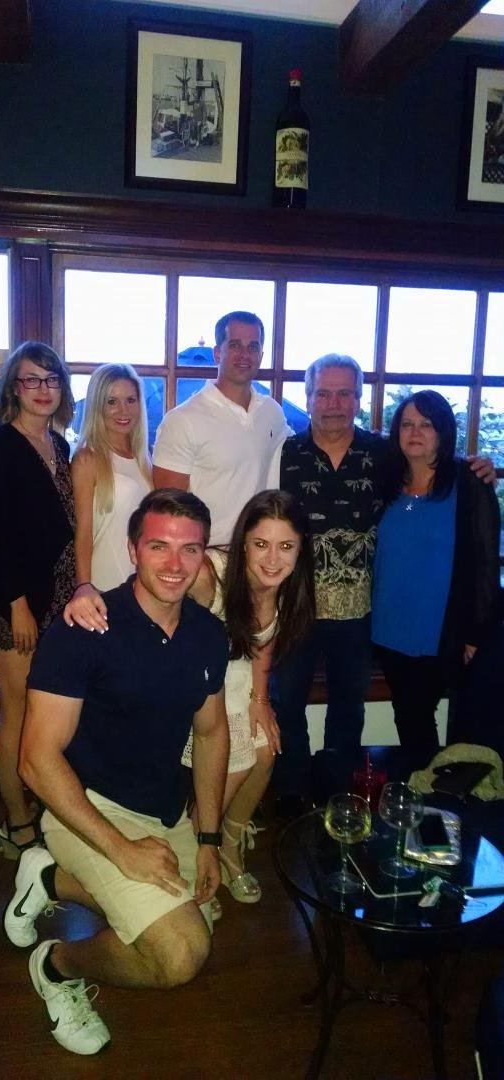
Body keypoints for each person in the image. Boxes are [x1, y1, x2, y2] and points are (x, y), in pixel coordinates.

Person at [2, 490, 229, 1056]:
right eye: (158, 546)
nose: (175, 563)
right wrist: (121, 850)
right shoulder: (83, 629)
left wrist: (209, 838)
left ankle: (49, 881)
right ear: (132, 550)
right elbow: (35, 760)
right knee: (180, 953)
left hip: (163, 808)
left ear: (204, 555)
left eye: (190, 549)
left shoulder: (206, 633)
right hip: (87, 807)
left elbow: (210, 733)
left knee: (204, 912)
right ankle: (56, 965)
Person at [275, 354, 496, 815]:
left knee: (348, 710)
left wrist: (478, 466)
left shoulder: (381, 455)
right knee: (287, 701)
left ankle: (338, 794)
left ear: (358, 399)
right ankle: (292, 790)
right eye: (323, 393)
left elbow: (437, 476)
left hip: (361, 614)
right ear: (308, 397)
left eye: (345, 393)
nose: (334, 403)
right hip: (298, 606)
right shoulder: (285, 453)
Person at [181, 490, 315, 905]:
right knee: (236, 763)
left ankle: (230, 843)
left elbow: (263, 642)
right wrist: (88, 595)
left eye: (286, 546)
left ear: (300, 549)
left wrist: (261, 699)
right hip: (196, 683)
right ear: (243, 543)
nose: (273, 559)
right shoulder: (210, 574)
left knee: (267, 747)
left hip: (236, 676)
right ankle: (196, 856)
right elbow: (153, 594)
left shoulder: (287, 586)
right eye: (261, 544)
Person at [0, 342, 75, 857]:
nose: (42, 389)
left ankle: (35, 802)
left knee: (42, 711)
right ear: (13, 387)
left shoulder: (58, 445)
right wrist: (17, 606)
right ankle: (15, 820)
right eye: (31, 379)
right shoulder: (1, 447)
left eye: (51, 379)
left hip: (53, 600)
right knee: (15, 711)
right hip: (14, 602)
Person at [372, 390, 501, 770]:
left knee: (426, 721)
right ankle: (422, 789)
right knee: (407, 716)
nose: (415, 432)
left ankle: (430, 792)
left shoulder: (470, 483)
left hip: (440, 634)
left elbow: (485, 564)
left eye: (426, 424)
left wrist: (476, 633)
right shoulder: (386, 482)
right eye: (407, 424)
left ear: (443, 432)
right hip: (388, 629)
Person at [152, 311, 291, 544]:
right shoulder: (183, 420)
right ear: (217, 353)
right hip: (208, 554)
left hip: (259, 551)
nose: (244, 354)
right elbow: (166, 508)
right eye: (235, 345)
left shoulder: (272, 412)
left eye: (253, 347)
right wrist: (197, 557)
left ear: (261, 355)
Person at [71, 363, 151, 592]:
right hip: (104, 585)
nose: (123, 410)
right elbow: (83, 534)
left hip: (141, 583)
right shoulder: (87, 459)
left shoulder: (144, 458)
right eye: (112, 401)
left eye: (131, 400)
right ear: (98, 406)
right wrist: (84, 588)